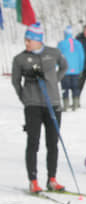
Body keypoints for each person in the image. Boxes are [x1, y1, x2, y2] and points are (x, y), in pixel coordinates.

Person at [11, 23, 68, 193]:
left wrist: (53, 80)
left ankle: (52, 179)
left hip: (53, 104)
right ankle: (33, 181)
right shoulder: (20, 58)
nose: (26, 43)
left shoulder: (53, 53)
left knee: (53, 143)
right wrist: (25, 98)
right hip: (33, 106)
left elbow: (64, 66)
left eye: (29, 40)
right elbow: (15, 81)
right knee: (33, 142)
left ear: (38, 40)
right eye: (25, 40)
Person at [57, 25, 85, 111]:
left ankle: (65, 106)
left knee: (65, 88)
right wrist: (81, 68)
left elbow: (57, 56)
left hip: (64, 70)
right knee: (75, 88)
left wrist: (56, 66)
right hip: (76, 70)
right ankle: (75, 105)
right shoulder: (78, 43)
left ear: (65, 34)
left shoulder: (61, 43)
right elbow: (82, 57)